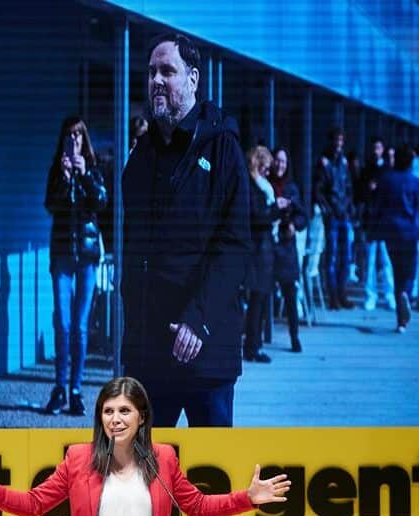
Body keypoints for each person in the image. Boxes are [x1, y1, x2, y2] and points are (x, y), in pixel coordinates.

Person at [121, 33, 251, 427]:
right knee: (147, 464)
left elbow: (234, 245)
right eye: (151, 72)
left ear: (193, 79)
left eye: (168, 71)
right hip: (150, 357)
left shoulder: (222, 148)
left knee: (211, 466)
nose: (156, 80)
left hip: (207, 354)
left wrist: (198, 318)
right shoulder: (142, 155)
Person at [0, 377, 290, 516]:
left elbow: (198, 507)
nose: (115, 419)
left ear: (142, 417)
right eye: (108, 411)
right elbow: (34, 504)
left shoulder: (163, 458)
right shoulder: (78, 459)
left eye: (124, 411)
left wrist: (248, 498)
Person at [44, 116, 108, 416]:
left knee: (80, 326)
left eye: (78, 136)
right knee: (63, 322)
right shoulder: (57, 170)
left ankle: (76, 389)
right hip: (62, 254)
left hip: (87, 254)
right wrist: (65, 178)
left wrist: (83, 177)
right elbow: (50, 205)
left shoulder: (92, 168)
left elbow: (102, 202)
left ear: (84, 140)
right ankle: (59, 387)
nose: (74, 141)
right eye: (69, 136)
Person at [370, 145, 419, 332]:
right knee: (410, 270)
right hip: (410, 232)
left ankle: (401, 321)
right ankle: (407, 293)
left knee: (397, 271)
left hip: (390, 232)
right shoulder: (415, 182)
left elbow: (378, 206)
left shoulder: (386, 180)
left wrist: (373, 229)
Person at [244, 146, 281, 363]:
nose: (269, 171)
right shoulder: (251, 186)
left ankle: (255, 344)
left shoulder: (260, 185)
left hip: (264, 248)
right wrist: (276, 210)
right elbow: (256, 217)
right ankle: (253, 346)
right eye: (266, 166)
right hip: (257, 249)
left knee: (261, 299)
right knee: (257, 301)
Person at [270, 147, 308, 353]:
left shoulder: (291, 187)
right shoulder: (264, 183)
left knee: (290, 295)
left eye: (283, 161)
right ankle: (257, 337)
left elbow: (303, 215)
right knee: (261, 295)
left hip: (286, 247)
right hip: (268, 247)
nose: (280, 165)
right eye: (277, 160)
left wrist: (294, 224)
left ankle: (294, 337)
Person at [314, 127, 354, 309]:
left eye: (341, 140)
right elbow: (319, 190)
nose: (339, 144)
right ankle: (333, 296)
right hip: (333, 216)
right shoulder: (324, 163)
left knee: (345, 257)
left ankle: (342, 293)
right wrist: (328, 211)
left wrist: (348, 208)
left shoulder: (343, 164)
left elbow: (348, 187)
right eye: (336, 140)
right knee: (332, 257)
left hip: (344, 215)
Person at [360, 137, 395, 311]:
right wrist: (368, 189)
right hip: (371, 222)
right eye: (374, 148)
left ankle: (390, 294)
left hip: (385, 221)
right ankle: (370, 295)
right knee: (370, 261)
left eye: (379, 148)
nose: (376, 151)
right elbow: (360, 194)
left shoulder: (388, 170)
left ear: (383, 150)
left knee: (386, 260)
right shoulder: (366, 169)